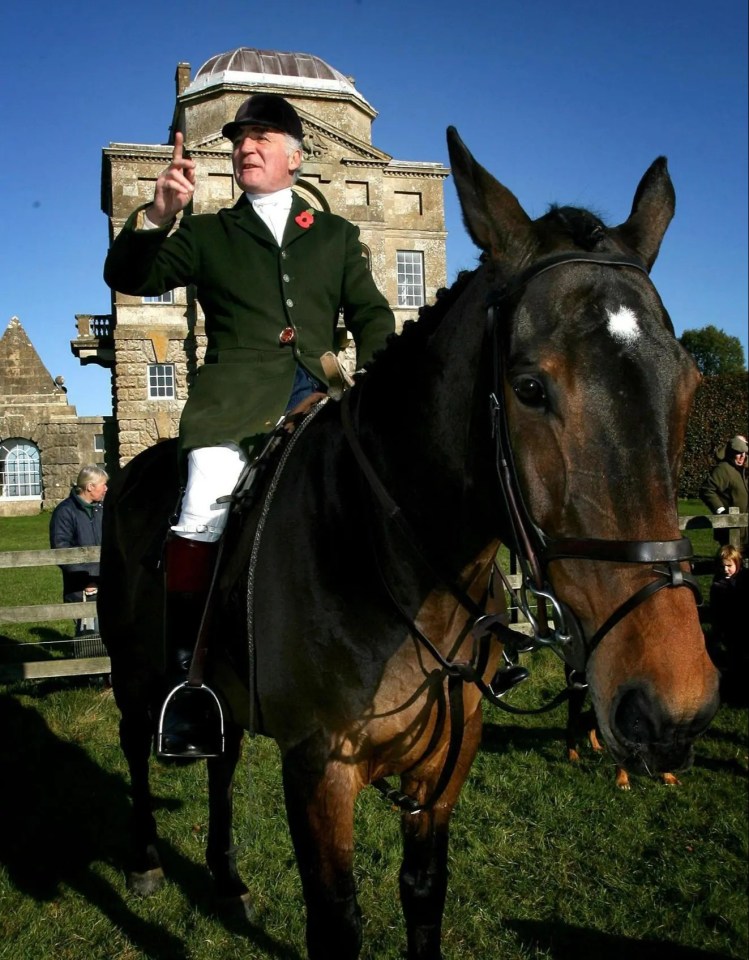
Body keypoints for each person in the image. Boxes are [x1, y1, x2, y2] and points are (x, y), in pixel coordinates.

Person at [104, 93, 395, 757]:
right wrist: (158, 215)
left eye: (261, 135)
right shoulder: (207, 235)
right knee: (204, 501)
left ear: (295, 156)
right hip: (233, 405)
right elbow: (129, 273)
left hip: (321, 396)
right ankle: (188, 681)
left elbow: (373, 318)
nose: (245, 144)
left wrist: (379, 385)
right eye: (239, 137)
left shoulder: (336, 238)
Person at [49, 465, 108, 628]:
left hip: (106, 582)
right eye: (103, 485)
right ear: (90, 487)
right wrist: (86, 581)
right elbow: (62, 551)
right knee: (88, 635)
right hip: (81, 587)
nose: (106, 489)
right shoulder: (65, 512)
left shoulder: (102, 510)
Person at [708, 544, 748, 699]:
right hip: (729, 628)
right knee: (734, 658)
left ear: (737, 563)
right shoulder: (717, 585)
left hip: (744, 625)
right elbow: (715, 610)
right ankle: (734, 688)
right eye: (722, 566)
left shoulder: (745, 580)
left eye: (729, 566)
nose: (725, 570)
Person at [700, 435, 748, 547]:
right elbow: (707, 490)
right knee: (730, 561)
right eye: (738, 453)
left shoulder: (744, 468)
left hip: (746, 530)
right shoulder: (723, 469)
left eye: (744, 453)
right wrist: (721, 511)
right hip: (731, 530)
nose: (742, 457)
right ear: (731, 453)